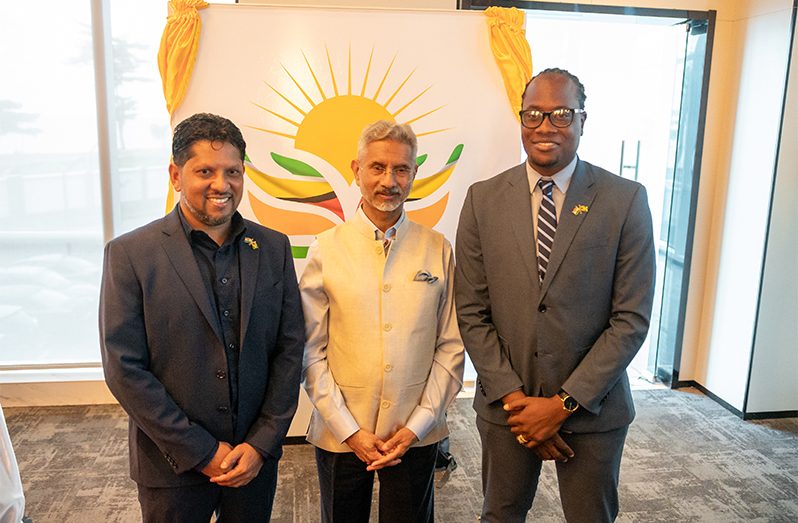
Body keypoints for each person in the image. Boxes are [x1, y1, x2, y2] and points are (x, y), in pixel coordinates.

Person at [455, 68, 656, 522]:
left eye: (561, 114)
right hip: (509, 409)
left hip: (593, 409)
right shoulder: (482, 199)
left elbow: (631, 319)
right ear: (521, 119)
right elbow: (470, 310)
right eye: (534, 114)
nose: (546, 126)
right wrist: (517, 402)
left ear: (584, 120)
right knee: (500, 515)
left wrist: (560, 406)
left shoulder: (624, 200)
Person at [99, 113, 305, 522]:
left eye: (233, 171)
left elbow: (289, 348)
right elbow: (124, 369)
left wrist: (262, 442)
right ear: (176, 175)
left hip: (252, 462)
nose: (221, 184)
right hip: (171, 462)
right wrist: (202, 450)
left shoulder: (273, 248)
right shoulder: (131, 255)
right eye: (205, 171)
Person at [300, 120, 465, 523]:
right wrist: (348, 429)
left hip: (416, 430)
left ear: (413, 173)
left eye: (401, 169)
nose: (389, 180)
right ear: (356, 170)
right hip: (342, 432)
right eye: (377, 168)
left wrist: (418, 425)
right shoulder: (326, 249)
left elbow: (451, 346)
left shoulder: (436, 247)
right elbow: (309, 351)